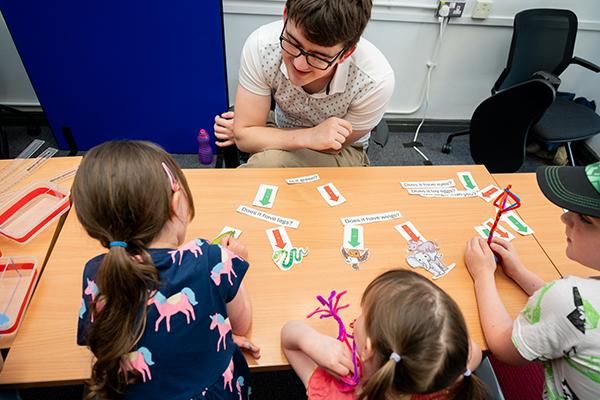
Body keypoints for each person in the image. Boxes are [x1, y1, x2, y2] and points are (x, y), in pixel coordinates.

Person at [72, 141, 260, 400]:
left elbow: (99, 340)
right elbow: (242, 324)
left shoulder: (95, 273)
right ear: (177, 200)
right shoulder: (213, 258)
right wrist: (235, 260)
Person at [464, 161, 600, 399]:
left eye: (586, 220)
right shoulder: (574, 298)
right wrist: (519, 272)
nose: (565, 218)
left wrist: (483, 275)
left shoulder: (567, 296)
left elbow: (503, 347)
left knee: (472, 353)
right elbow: (578, 314)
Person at [214, 0, 395, 168]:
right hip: (281, 125)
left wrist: (257, 136)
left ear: (346, 53)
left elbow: (333, 146)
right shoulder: (262, 46)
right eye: (293, 43)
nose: (299, 64)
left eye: (319, 56)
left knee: (268, 164)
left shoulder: (374, 80)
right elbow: (245, 137)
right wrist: (307, 136)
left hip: (338, 149)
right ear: (285, 16)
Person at [281, 269, 487, 399]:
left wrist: (311, 340)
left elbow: (289, 339)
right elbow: (474, 352)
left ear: (368, 349)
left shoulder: (331, 392)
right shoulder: (438, 382)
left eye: (363, 313)